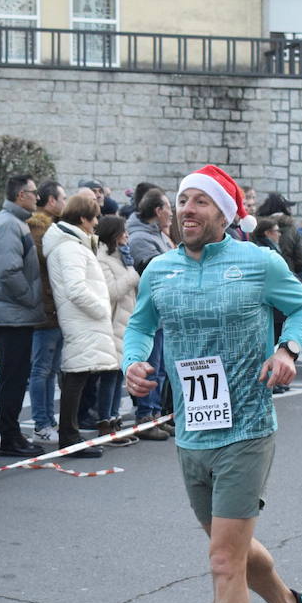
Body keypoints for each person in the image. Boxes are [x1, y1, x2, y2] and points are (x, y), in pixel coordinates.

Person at [123, 164, 302, 603]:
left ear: (224, 214)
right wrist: (133, 362)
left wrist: (286, 349)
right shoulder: (159, 270)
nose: (187, 210)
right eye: (182, 201)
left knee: (223, 562)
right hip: (193, 430)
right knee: (228, 547)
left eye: (200, 202)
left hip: (247, 427)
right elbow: (140, 327)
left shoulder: (258, 262)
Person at [42, 194, 118, 459]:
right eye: (94, 217)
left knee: (79, 375)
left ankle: (70, 435)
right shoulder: (70, 247)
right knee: (75, 376)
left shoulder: (72, 243)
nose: (97, 222)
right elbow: (76, 288)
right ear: (83, 219)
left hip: (82, 318)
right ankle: (69, 437)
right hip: (82, 318)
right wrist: (101, 309)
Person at [0, 175, 44, 457]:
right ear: (21, 195)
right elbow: (9, 270)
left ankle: (13, 432)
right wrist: (30, 297)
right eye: (34, 193)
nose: (37, 198)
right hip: (12, 313)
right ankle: (9, 435)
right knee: (13, 376)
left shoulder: (14, 221)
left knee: (16, 377)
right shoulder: (8, 224)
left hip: (14, 312)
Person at [125, 188, 175, 440]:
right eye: (169, 208)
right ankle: (145, 416)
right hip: (150, 313)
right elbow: (155, 272)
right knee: (150, 368)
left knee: (162, 368)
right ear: (157, 211)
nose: (172, 214)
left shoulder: (160, 235)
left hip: (164, 313)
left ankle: (156, 414)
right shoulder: (141, 238)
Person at [27, 180, 67, 443]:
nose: (65, 203)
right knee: (41, 369)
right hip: (44, 309)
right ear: (51, 200)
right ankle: (41, 421)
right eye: (62, 198)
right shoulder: (40, 228)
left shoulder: (52, 227)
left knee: (50, 369)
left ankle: (48, 419)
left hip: (54, 308)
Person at [94, 215, 138, 444]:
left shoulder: (121, 257)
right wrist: (132, 275)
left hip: (126, 321)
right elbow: (111, 291)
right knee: (109, 375)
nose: (127, 236)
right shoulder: (102, 259)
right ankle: (106, 422)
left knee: (118, 374)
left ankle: (115, 418)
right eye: (123, 232)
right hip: (112, 322)